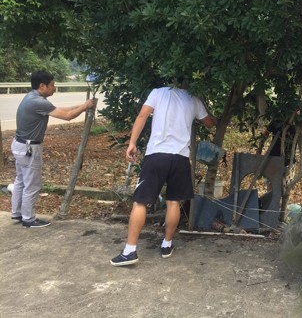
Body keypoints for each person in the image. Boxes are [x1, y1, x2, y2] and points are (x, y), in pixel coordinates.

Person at [110, 79, 217, 267]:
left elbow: (142, 116)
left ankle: (130, 251)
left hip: (156, 156)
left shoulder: (157, 92)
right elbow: (209, 123)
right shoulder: (193, 98)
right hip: (180, 158)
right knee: (174, 202)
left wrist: (132, 143)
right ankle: (167, 245)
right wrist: (213, 114)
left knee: (141, 201)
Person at [11, 70, 96, 228]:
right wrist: (85, 106)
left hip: (19, 144)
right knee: (32, 184)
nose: (54, 88)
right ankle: (28, 218)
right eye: (52, 85)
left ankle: (17, 213)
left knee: (21, 181)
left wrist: (83, 106)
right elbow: (68, 116)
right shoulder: (39, 102)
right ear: (42, 86)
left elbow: (61, 109)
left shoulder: (32, 97)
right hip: (30, 147)